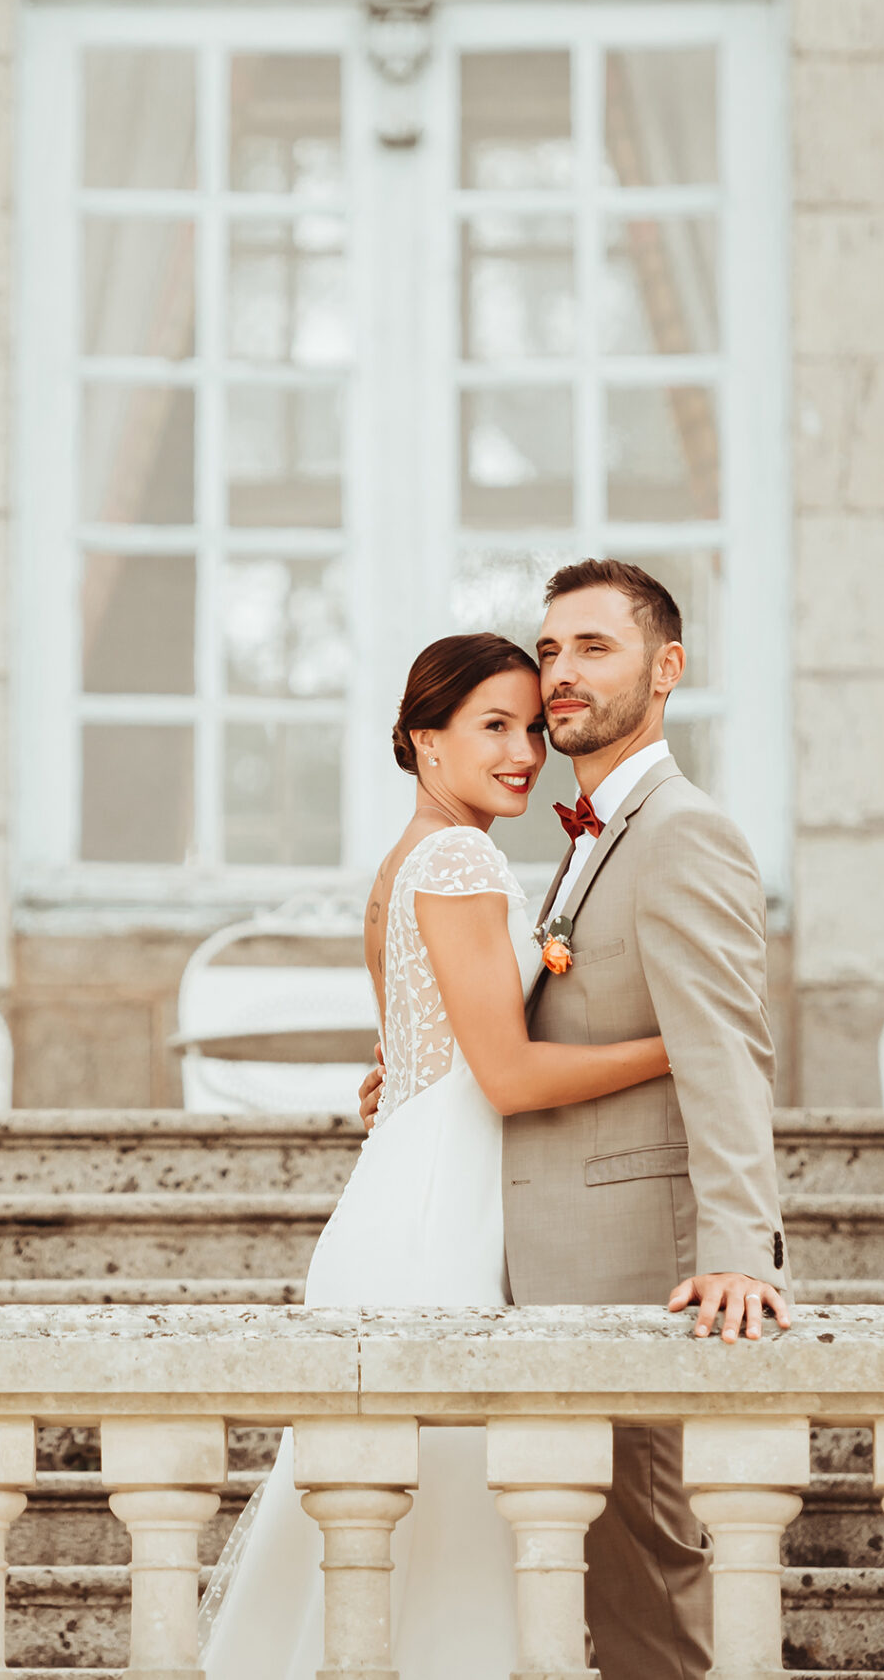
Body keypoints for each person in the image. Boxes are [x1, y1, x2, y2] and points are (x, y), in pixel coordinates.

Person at [198, 630, 675, 1680]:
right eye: (490, 727)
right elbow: (502, 1075)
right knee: (448, 1534)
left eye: (529, 727)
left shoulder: (406, 861)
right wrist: (677, 1047)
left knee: (381, 1553)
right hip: (433, 1225)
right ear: (424, 742)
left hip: (409, 1195)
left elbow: (411, 1061)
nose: (523, 752)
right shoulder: (459, 858)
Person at [355, 559, 791, 1680]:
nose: (559, 676)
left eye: (593, 647)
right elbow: (508, 1034)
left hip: (628, 1258)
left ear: (666, 667)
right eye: (548, 650)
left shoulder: (681, 831)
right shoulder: (567, 842)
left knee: (646, 1577)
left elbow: (729, 1051)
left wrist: (741, 1250)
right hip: (520, 1248)